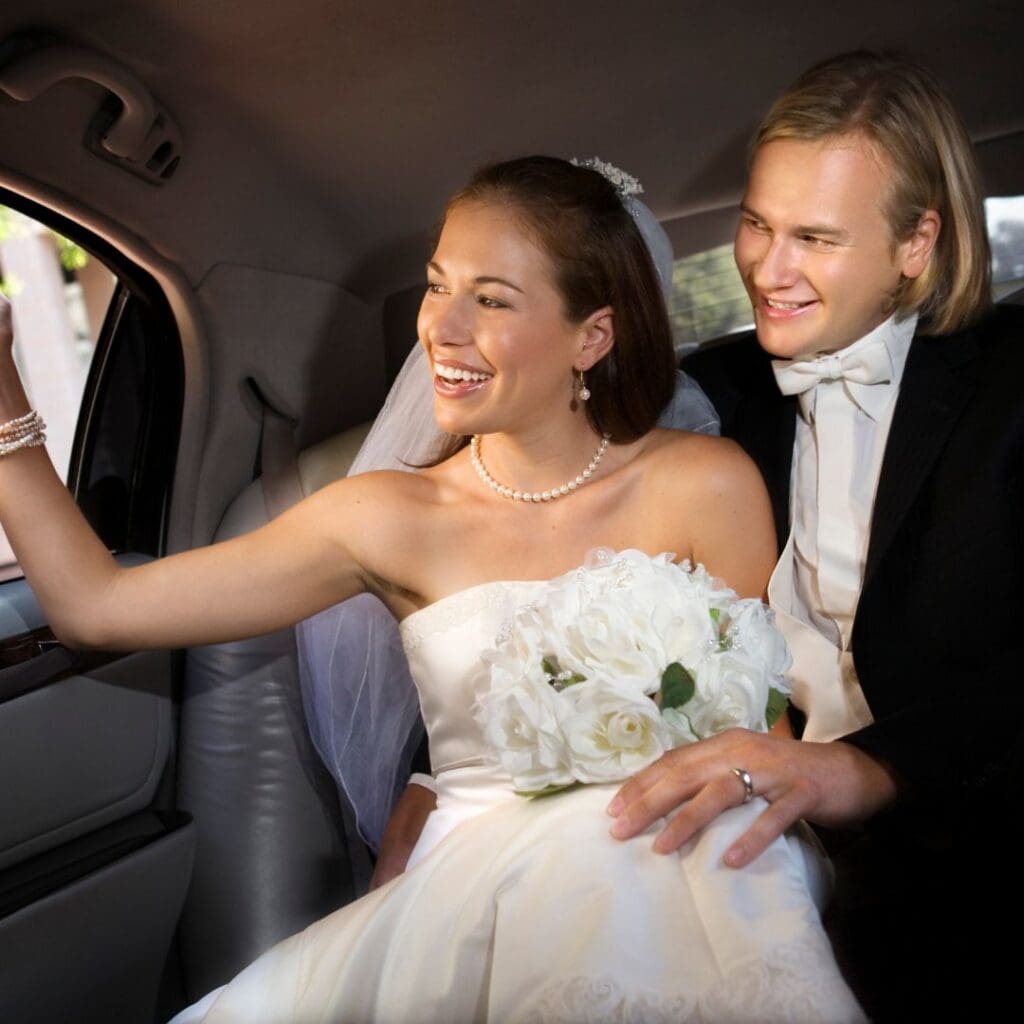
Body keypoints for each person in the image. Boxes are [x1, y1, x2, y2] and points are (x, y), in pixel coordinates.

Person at [0, 156, 867, 1022]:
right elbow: (95, 607)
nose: (441, 329)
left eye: (491, 299)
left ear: (591, 336)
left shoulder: (707, 484)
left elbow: (766, 747)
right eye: (436, 286)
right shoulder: (384, 516)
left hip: (698, 875)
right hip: (472, 904)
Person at [612, 52, 1022, 1018]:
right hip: (754, 850)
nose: (768, 268)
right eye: (756, 223)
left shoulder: (1013, 387)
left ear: (917, 242)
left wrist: (873, 767)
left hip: (974, 853)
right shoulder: (713, 394)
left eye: (817, 238)